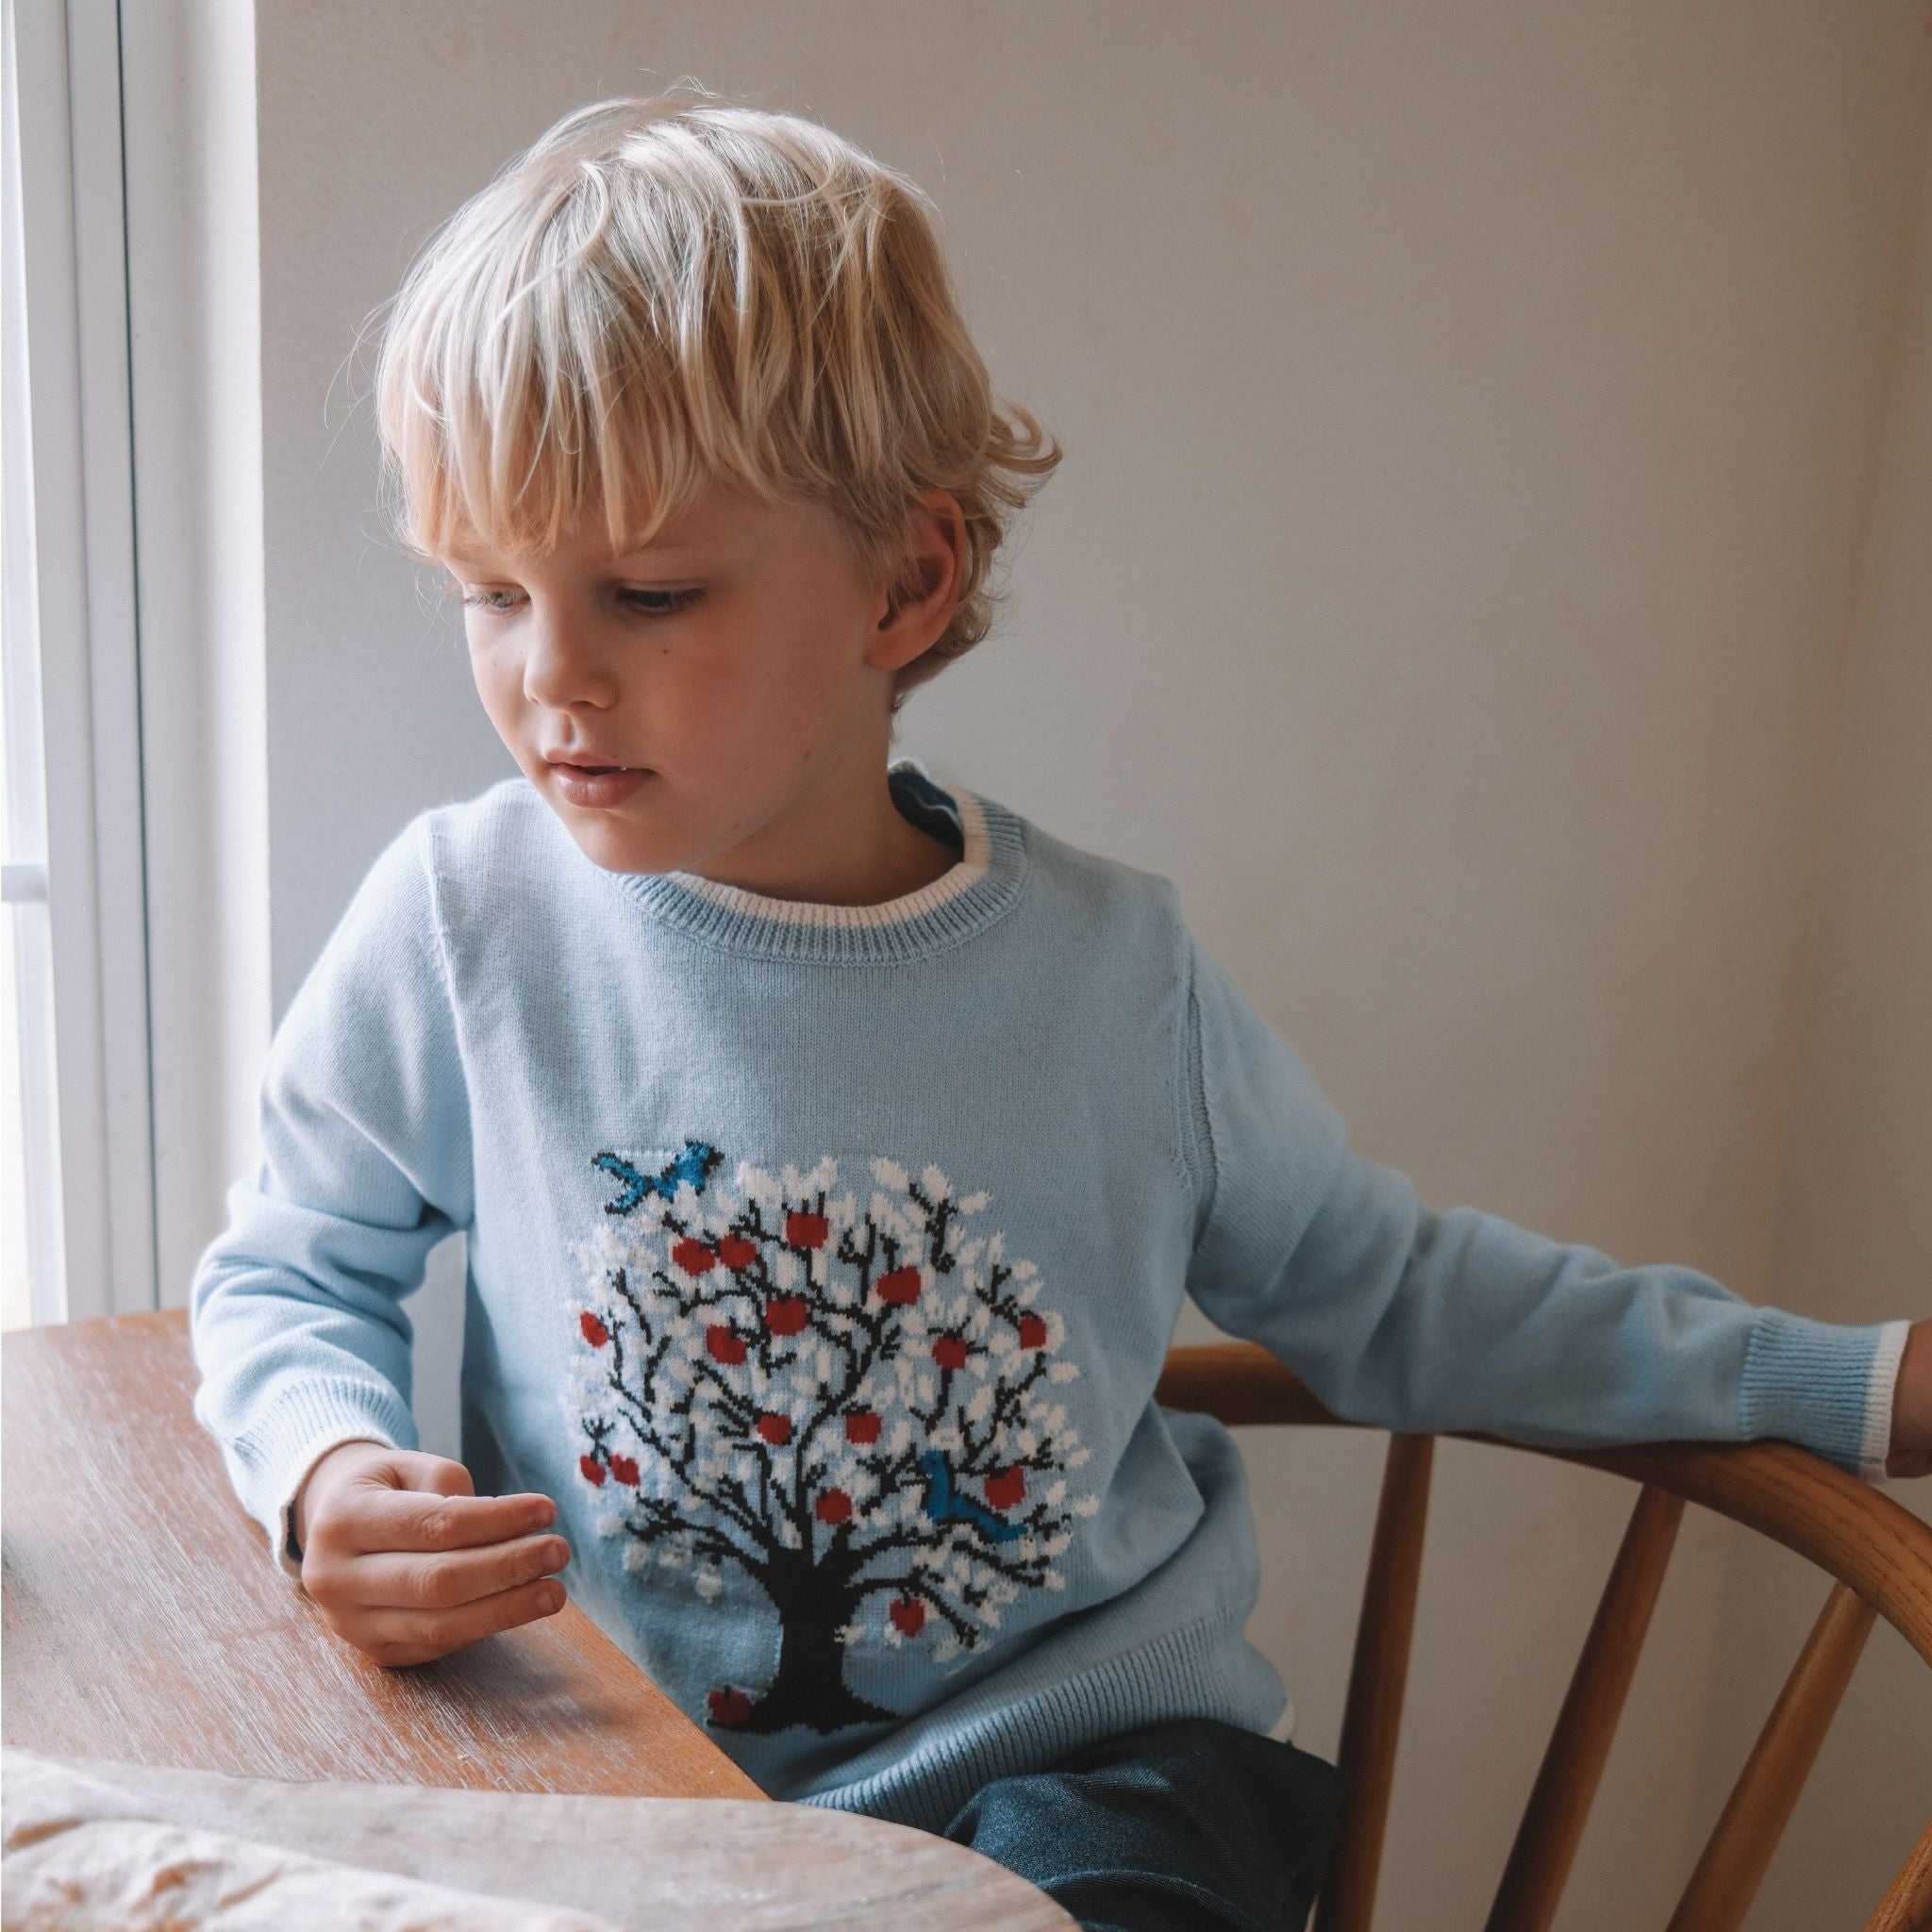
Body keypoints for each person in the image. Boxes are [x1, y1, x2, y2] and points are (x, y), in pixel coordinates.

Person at [189, 93, 1928, 1932]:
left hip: (1083, 1780)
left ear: (907, 577)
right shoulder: (464, 923)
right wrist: (320, 1472)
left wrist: (1844, 1377)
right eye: (489, 591)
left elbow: (1400, 1297)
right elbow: (291, 1265)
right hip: (646, 1816)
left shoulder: (1113, 983)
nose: (549, 675)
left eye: (647, 590)